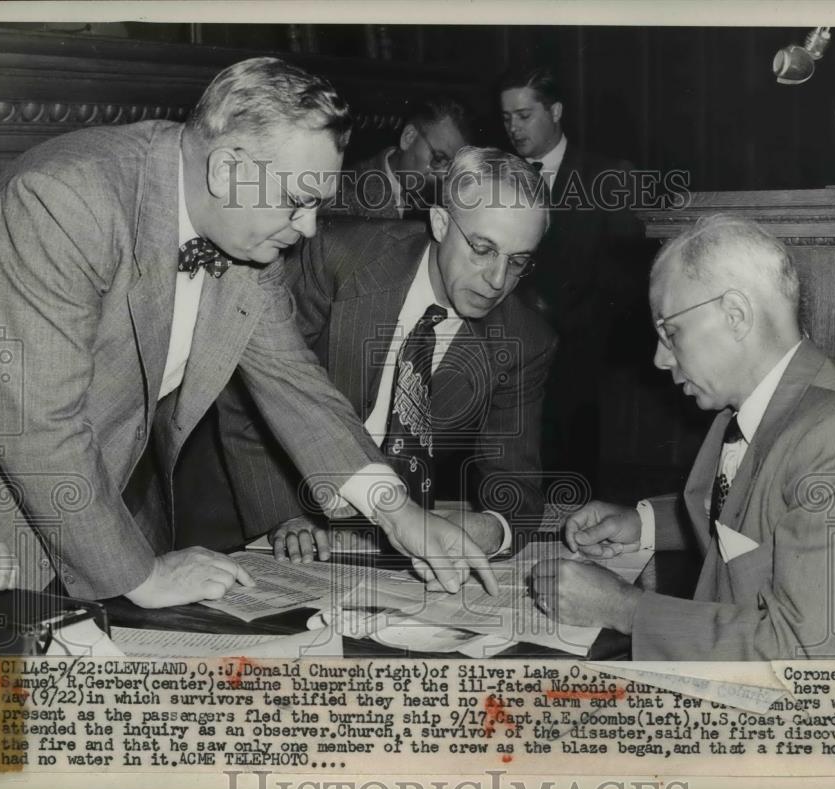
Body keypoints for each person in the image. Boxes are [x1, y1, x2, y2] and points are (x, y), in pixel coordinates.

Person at [0, 56, 497, 608]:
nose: (310, 229)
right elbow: (38, 427)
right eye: (300, 202)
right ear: (226, 170)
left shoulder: (244, 228)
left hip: (105, 507)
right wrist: (140, 578)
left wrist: (400, 513)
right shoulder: (63, 199)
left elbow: (295, 383)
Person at [530, 214, 835, 660]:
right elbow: (758, 513)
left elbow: (801, 655)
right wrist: (645, 524)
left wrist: (625, 608)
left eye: (671, 332)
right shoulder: (757, 409)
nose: (660, 358)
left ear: (735, 315)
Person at [215, 147, 555, 562]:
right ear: (441, 221)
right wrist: (282, 515)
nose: (498, 280)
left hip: (398, 537)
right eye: (483, 249)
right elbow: (246, 389)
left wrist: (490, 529)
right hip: (257, 507)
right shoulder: (339, 258)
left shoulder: (524, 340)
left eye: (518, 261)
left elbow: (517, 487)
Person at [499, 65, 644, 491]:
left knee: (570, 487)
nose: (513, 128)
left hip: (578, 368)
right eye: (506, 117)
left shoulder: (609, 175)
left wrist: (562, 318)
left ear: (556, 110)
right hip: (505, 361)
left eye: (524, 115)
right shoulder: (495, 174)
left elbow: (625, 278)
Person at [332, 95, 472, 219]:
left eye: (452, 168)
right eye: (438, 159)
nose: (442, 176)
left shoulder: (442, 204)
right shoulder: (344, 198)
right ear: (408, 138)